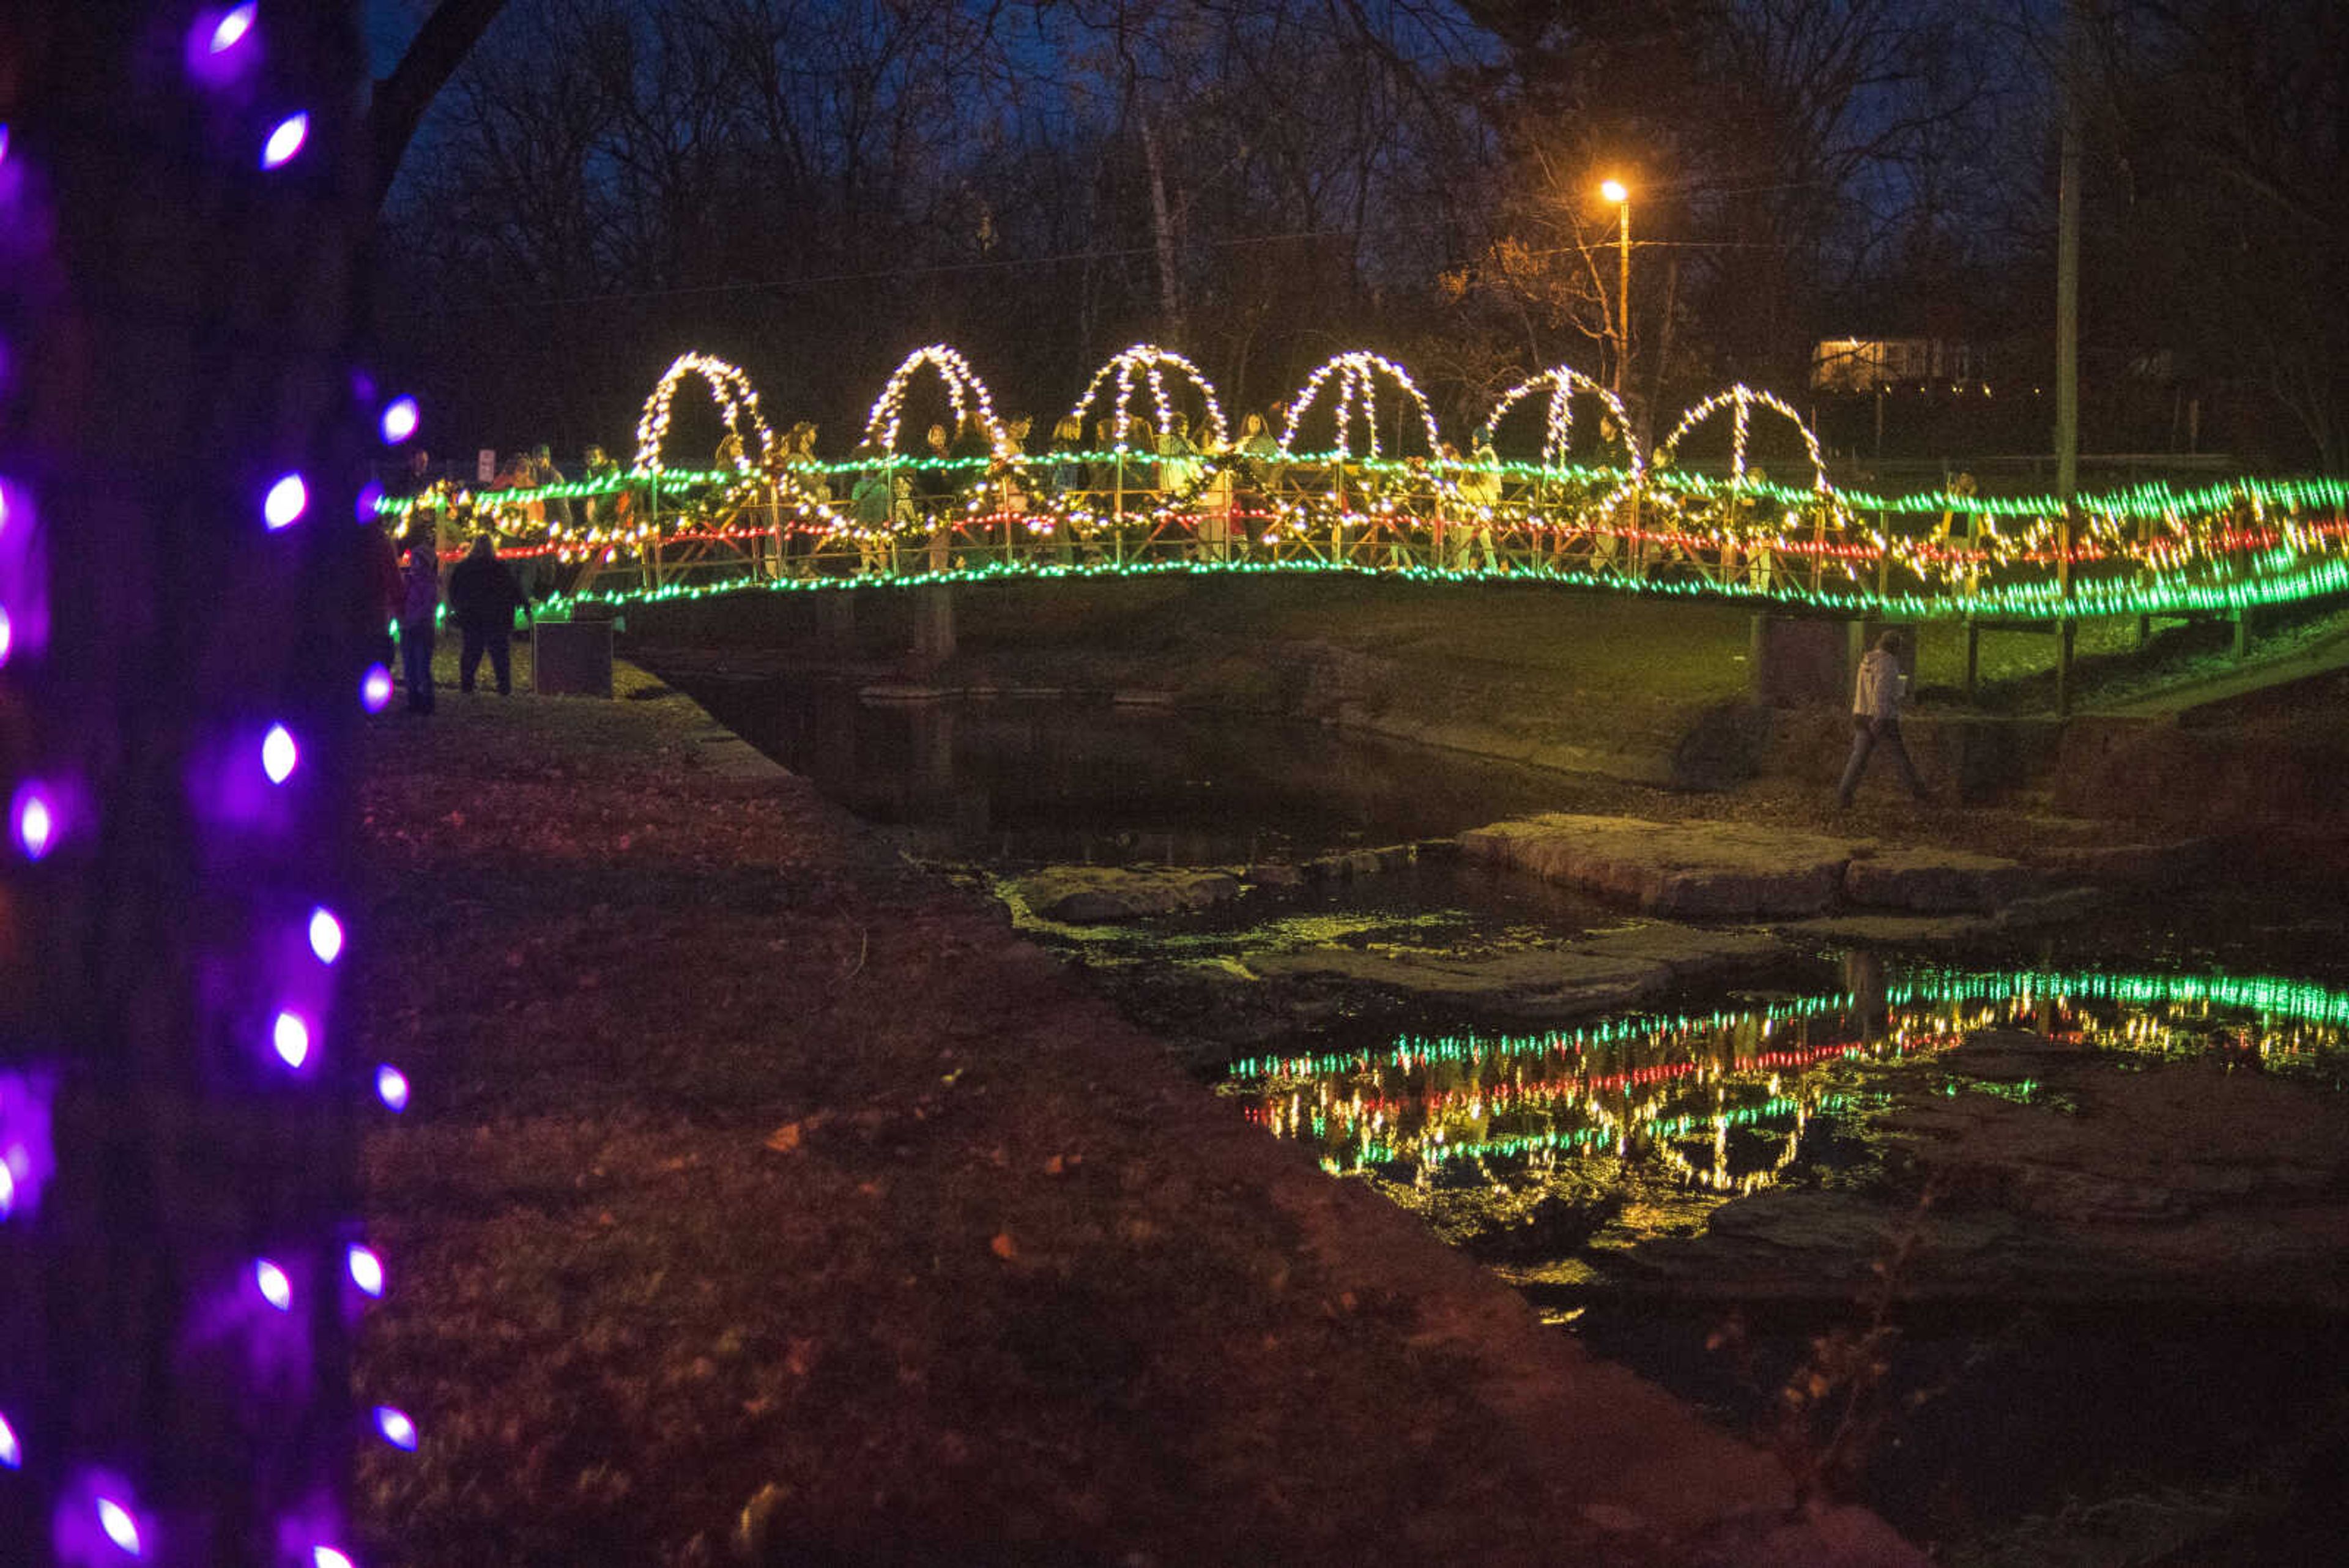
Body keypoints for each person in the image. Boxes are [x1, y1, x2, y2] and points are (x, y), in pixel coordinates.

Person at [1836, 628, 1926, 808]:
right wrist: (1881, 716)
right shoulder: (1888, 663)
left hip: (1861, 714)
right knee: (1900, 757)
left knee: (1858, 758)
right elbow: (1881, 693)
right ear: (1895, 647)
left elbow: (1867, 690)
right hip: (1881, 717)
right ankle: (1919, 794)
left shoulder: (1867, 661)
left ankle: (1844, 795)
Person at [447, 535, 527, 696]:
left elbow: (454, 591)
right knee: (499, 654)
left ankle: (467, 686)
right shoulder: (499, 567)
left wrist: (459, 608)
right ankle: (504, 687)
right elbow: (513, 588)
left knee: (471, 652)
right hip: (496, 617)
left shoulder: (464, 568)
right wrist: (524, 605)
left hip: (472, 617)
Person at [398, 529, 440, 715]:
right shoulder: (410, 581)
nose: (413, 564)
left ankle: (427, 701)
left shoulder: (430, 583)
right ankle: (413, 699)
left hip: (422, 628)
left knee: (422, 665)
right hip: (408, 627)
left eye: (417, 560)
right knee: (409, 666)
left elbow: (427, 606)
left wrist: (412, 619)